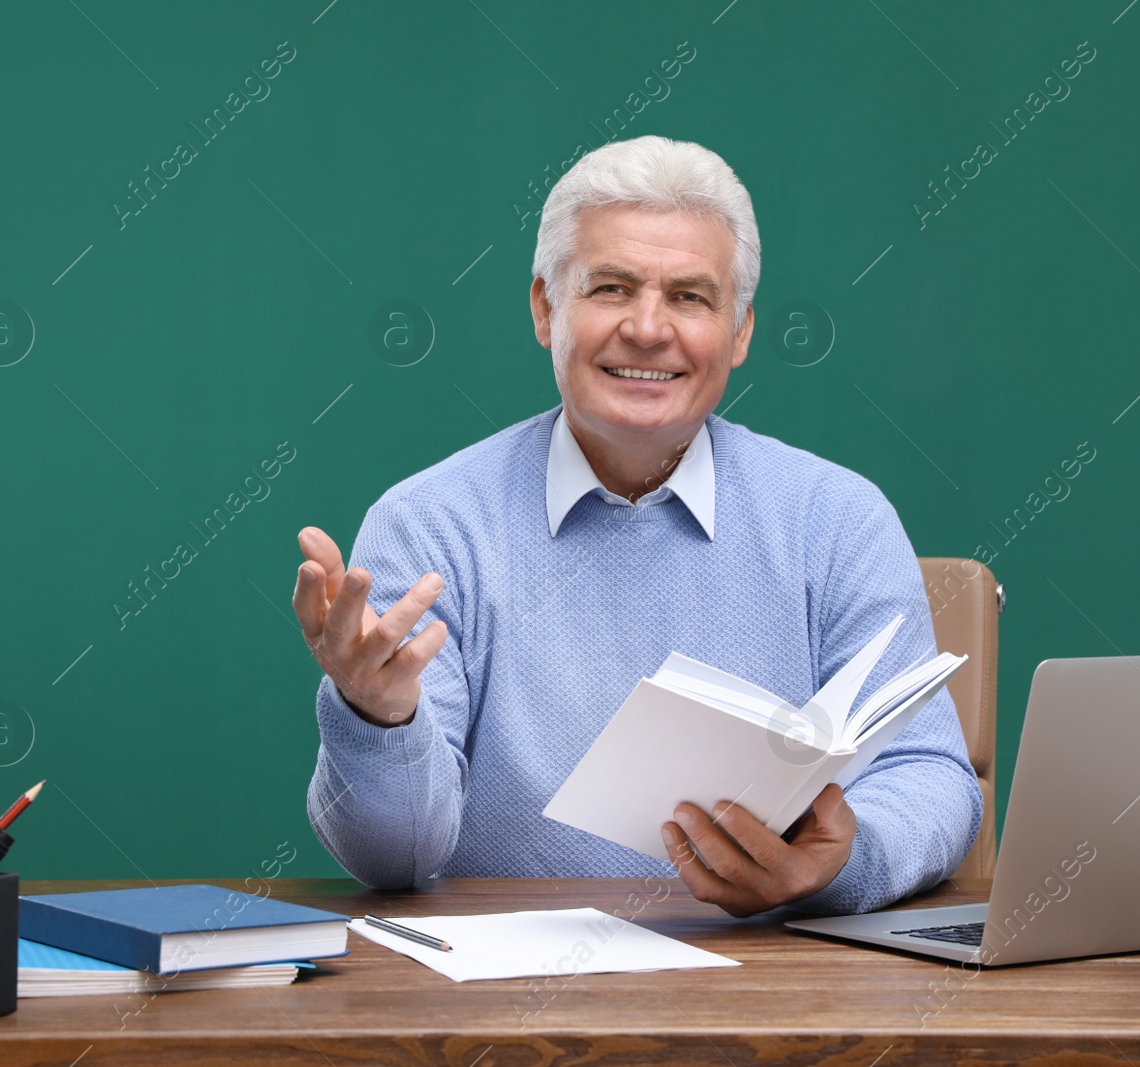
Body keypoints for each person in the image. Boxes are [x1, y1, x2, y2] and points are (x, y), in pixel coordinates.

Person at [293, 135, 980, 917]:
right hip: (508, 1010)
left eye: (690, 297)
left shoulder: (839, 519)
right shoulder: (429, 526)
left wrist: (841, 862)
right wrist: (377, 718)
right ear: (546, 309)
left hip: (775, 986)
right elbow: (397, 860)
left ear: (742, 332)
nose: (649, 329)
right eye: (612, 287)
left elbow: (934, 778)